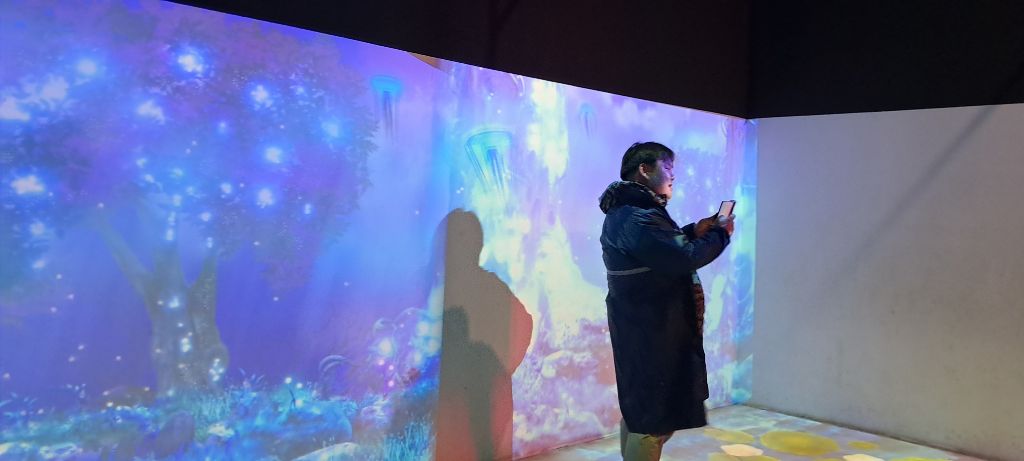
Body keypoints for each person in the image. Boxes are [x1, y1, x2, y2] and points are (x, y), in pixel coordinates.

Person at [598, 142, 734, 461]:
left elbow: (659, 249)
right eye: (668, 167)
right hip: (652, 330)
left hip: (647, 327)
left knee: (643, 414)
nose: (673, 175)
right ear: (645, 170)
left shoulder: (632, 211)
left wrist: (695, 230)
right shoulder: (637, 216)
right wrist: (720, 234)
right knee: (652, 420)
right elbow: (682, 257)